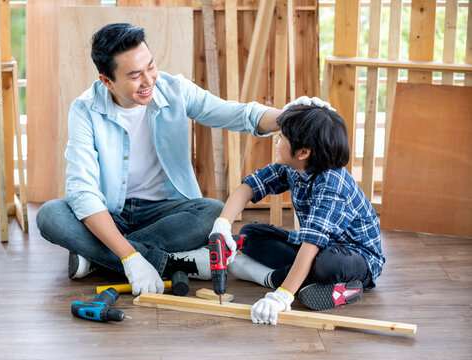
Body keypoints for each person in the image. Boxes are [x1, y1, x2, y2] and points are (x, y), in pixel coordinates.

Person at [36, 22, 296, 296]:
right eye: (135, 76)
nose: (149, 81)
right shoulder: (85, 109)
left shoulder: (174, 89)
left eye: (150, 66)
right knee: (50, 216)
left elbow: (238, 114)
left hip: (166, 213)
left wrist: (291, 117)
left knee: (213, 212)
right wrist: (131, 258)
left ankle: (97, 257)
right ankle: (168, 262)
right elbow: (82, 192)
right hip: (110, 211)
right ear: (107, 81)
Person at [210, 103, 385, 325]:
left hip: (357, 258)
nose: (276, 140)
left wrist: (280, 297)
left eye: (282, 137)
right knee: (250, 234)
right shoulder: (294, 166)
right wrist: (223, 223)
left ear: (303, 152)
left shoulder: (332, 185)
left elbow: (311, 245)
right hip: (319, 245)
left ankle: (274, 279)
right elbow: (249, 188)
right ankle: (306, 280)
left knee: (325, 264)